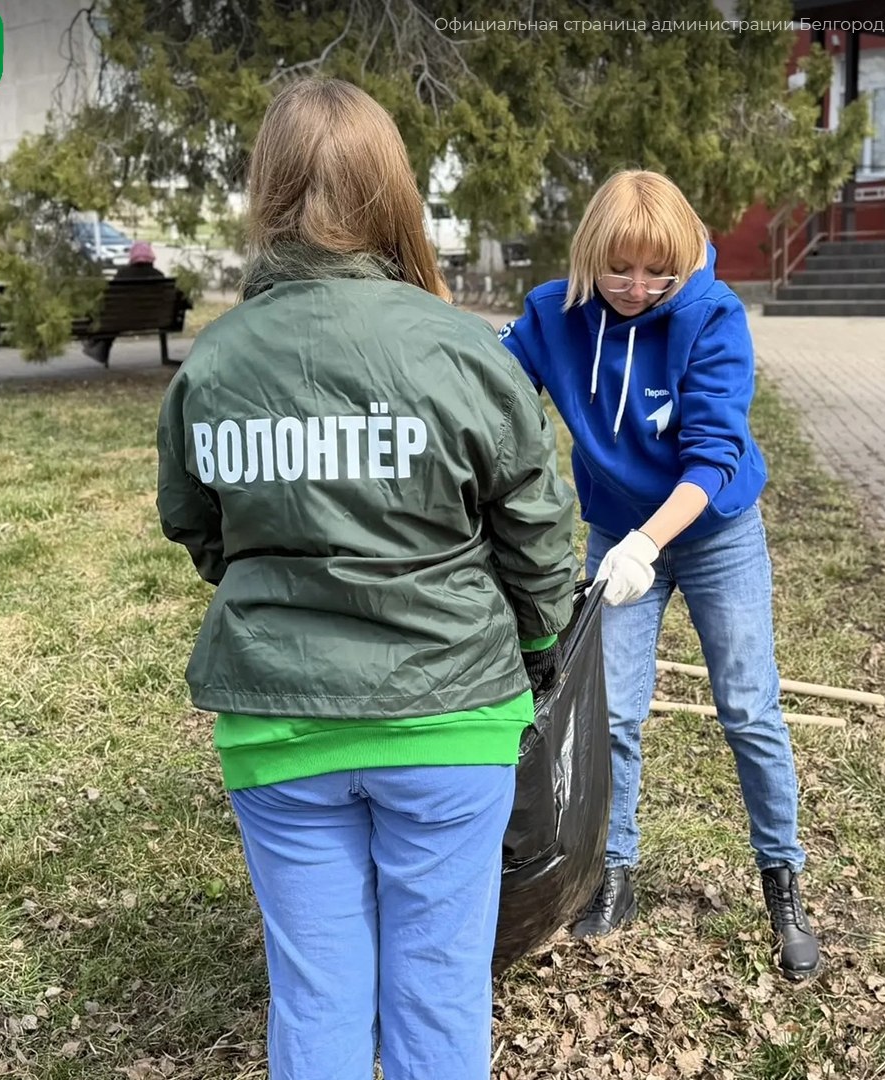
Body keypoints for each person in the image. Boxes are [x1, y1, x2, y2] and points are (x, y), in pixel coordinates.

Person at [155, 78, 578, 1079]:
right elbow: (536, 538)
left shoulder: (213, 367)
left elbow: (198, 527)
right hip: (451, 717)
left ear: (267, 193)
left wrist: (282, 570)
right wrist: (538, 646)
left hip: (278, 723)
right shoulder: (462, 352)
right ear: (393, 196)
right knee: (438, 995)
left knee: (317, 997)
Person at [497, 169, 820, 981]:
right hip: (614, 531)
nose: (638, 288)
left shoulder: (712, 317)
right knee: (611, 712)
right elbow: (490, 388)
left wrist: (647, 544)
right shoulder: (552, 316)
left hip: (713, 532)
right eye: (620, 270)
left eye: (659, 273)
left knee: (748, 707)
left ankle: (782, 880)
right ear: (590, 255)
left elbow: (715, 456)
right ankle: (615, 874)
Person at [82, 240, 167, 365]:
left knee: (110, 316)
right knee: (115, 318)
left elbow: (109, 297)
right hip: (153, 320)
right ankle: (97, 345)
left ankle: (95, 342)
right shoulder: (159, 276)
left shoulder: (124, 274)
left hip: (122, 320)